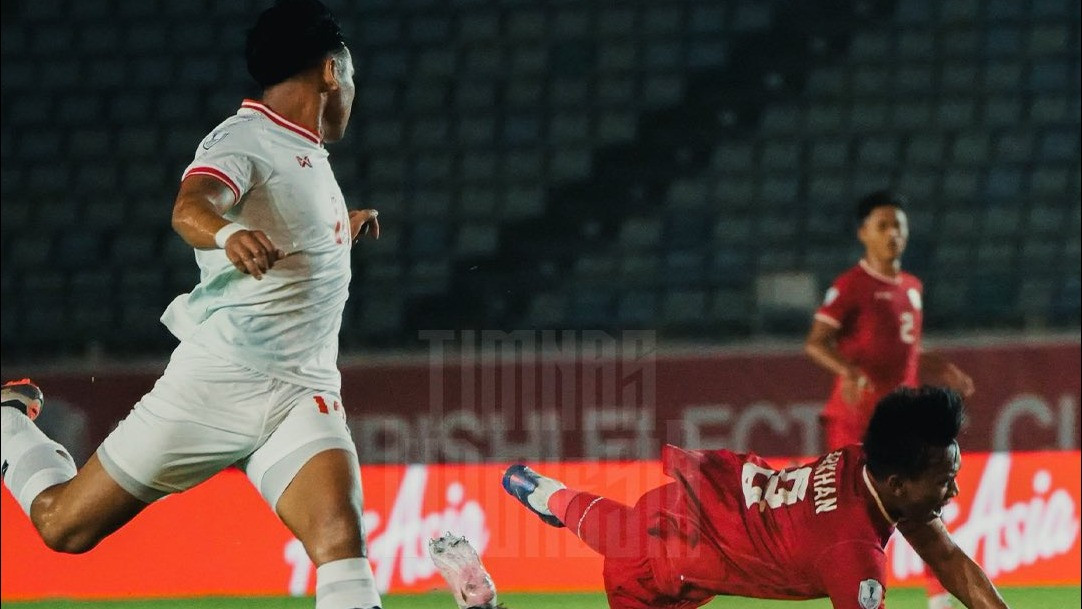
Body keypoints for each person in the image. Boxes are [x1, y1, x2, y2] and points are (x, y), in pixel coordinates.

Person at [2, 2, 407, 608]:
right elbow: (191, 207)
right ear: (330, 72)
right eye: (349, 77)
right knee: (64, 527)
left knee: (340, 541)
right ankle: (6, 423)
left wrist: (337, 231)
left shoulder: (306, 154)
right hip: (219, 383)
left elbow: (285, 229)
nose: (352, 91)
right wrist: (225, 233)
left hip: (302, 390)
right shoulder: (244, 137)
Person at [503, 386, 1009, 609]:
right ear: (900, 484)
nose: (955, 489)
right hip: (666, 560)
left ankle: (544, 494)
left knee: (599, 520)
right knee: (616, 539)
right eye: (945, 481)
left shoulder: (867, 460)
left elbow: (946, 555)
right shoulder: (853, 557)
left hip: (694, 504)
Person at [804, 190, 976, 608]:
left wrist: (940, 368)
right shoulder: (850, 286)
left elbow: (907, 345)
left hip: (901, 420)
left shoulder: (912, 287)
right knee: (853, 511)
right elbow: (816, 342)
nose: (892, 234)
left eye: (898, 225)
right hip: (856, 419)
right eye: (882, 226)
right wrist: (847, 370)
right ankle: (853, 588)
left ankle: (939, 597)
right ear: (863, 233)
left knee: (928, 496)